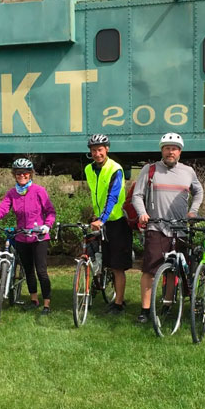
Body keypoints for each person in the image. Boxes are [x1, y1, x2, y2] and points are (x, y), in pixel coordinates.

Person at [133, 132, 204, 324]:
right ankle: (145, 310)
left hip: (180, 228)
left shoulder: (188, 171)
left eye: (174, 149)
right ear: (162, 150)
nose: (170, 152)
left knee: (173, 269)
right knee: (149, 270)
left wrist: (193, 210)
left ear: (179, 152)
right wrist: (142, 213)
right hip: (156, 227)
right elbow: (137, 195)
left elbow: (199, 191)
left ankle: (167, 304)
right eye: (166, 148)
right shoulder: (150, 169)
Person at [0, 158, 56, 314]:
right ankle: (34, 299)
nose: (22, 176)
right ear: (14, 175)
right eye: (18, 173)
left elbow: (50, 211)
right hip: (21, 237)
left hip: (39, 236)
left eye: (25, 173)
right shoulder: (12, 193)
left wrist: (47, 225)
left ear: (31, 174)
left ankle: (46, 303)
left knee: (41, 271)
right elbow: (2, 210)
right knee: (28, 270)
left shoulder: (39, 191)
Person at [84, 134, 133, 315]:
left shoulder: (115, 169)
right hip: (101, 220)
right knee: (107, 263)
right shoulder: (89, 169)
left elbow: (112, 196)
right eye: (94, 150)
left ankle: (119, 303)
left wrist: (102, 219)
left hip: (117, 221)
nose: (97, 154)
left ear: (107, 149)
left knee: (118, 266)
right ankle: (105, 291)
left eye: (100, 150)